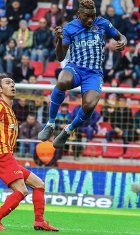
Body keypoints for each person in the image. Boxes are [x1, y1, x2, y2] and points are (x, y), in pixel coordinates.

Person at [38, 0, 126, 149]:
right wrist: (59, 41)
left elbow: (120, 36)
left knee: (90, 105)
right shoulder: (69, 28)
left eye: (93, 16)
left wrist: (123, 41)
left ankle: (68, 130)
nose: (90, 19)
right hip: (75, 68)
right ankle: (50, 124)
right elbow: (60, 57)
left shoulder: (103, 23)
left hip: (94, 73)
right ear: (79, 14)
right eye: (86, 16)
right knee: (61, 82)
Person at [0, 77, 58, 231]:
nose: (12, 85)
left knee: (39, 184)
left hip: (7, 156)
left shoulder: (11, 112)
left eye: (13, 83)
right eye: (7, 83)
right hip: (0, 155)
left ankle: (39, 221)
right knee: (22, 190)